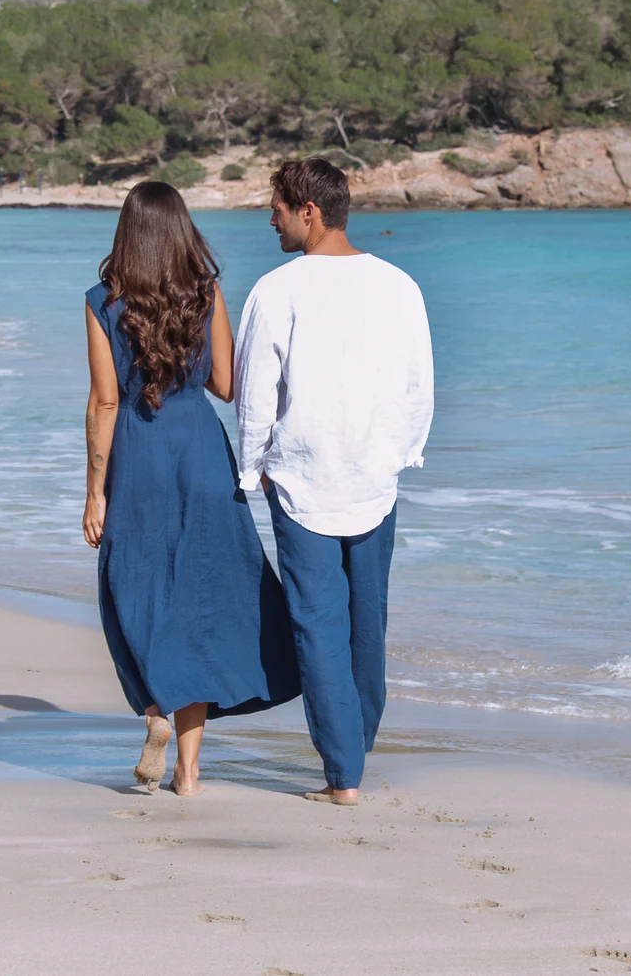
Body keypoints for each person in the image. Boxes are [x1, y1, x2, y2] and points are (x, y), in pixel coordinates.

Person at [83, 181, 300, 796]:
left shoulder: (103, 301)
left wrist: (95, 491)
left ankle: (155, 708)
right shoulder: (205, 293)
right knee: (200, 601)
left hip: (139, 456)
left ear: (127, 231)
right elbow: (228, 386)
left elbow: (104, 400)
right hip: (201, 454)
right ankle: (189, 772)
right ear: (182, 229)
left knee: (138, 588)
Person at [234, 158, 433, 807]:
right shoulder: (400, 286)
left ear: (308, 212)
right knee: (366, 622)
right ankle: (356, 745)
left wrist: (250, 465)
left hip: (302, 480)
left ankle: (344, 773)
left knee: (318, 625)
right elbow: (418, 385)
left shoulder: (276, 289)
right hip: (375, 477)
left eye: (277, 208)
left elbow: (256, 392)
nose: (271, 220)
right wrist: (400, 453)